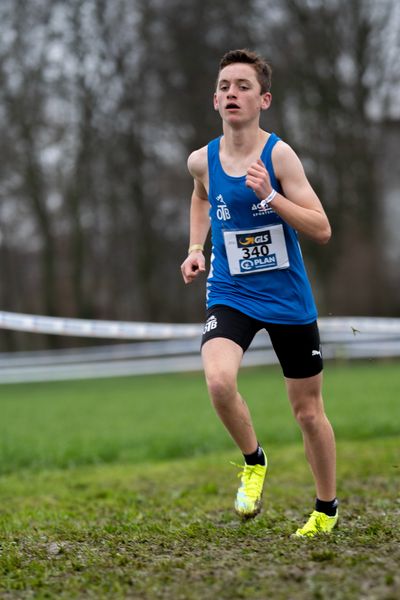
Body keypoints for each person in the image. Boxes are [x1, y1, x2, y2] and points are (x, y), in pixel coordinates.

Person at [180, 49, 338, 538]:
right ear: (215, 99)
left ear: (263, 99)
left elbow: (322, 229)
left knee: (308, 413)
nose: (233, 92)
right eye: (225, 85)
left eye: (243, 86)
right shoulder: (200, 160)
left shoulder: (279, 155)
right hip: (230, 292)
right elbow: (202, 196)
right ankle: (254, 460)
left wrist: (271, 195)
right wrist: (194, 246)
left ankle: (326, 509)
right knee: (219, 382)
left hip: (286, 296)